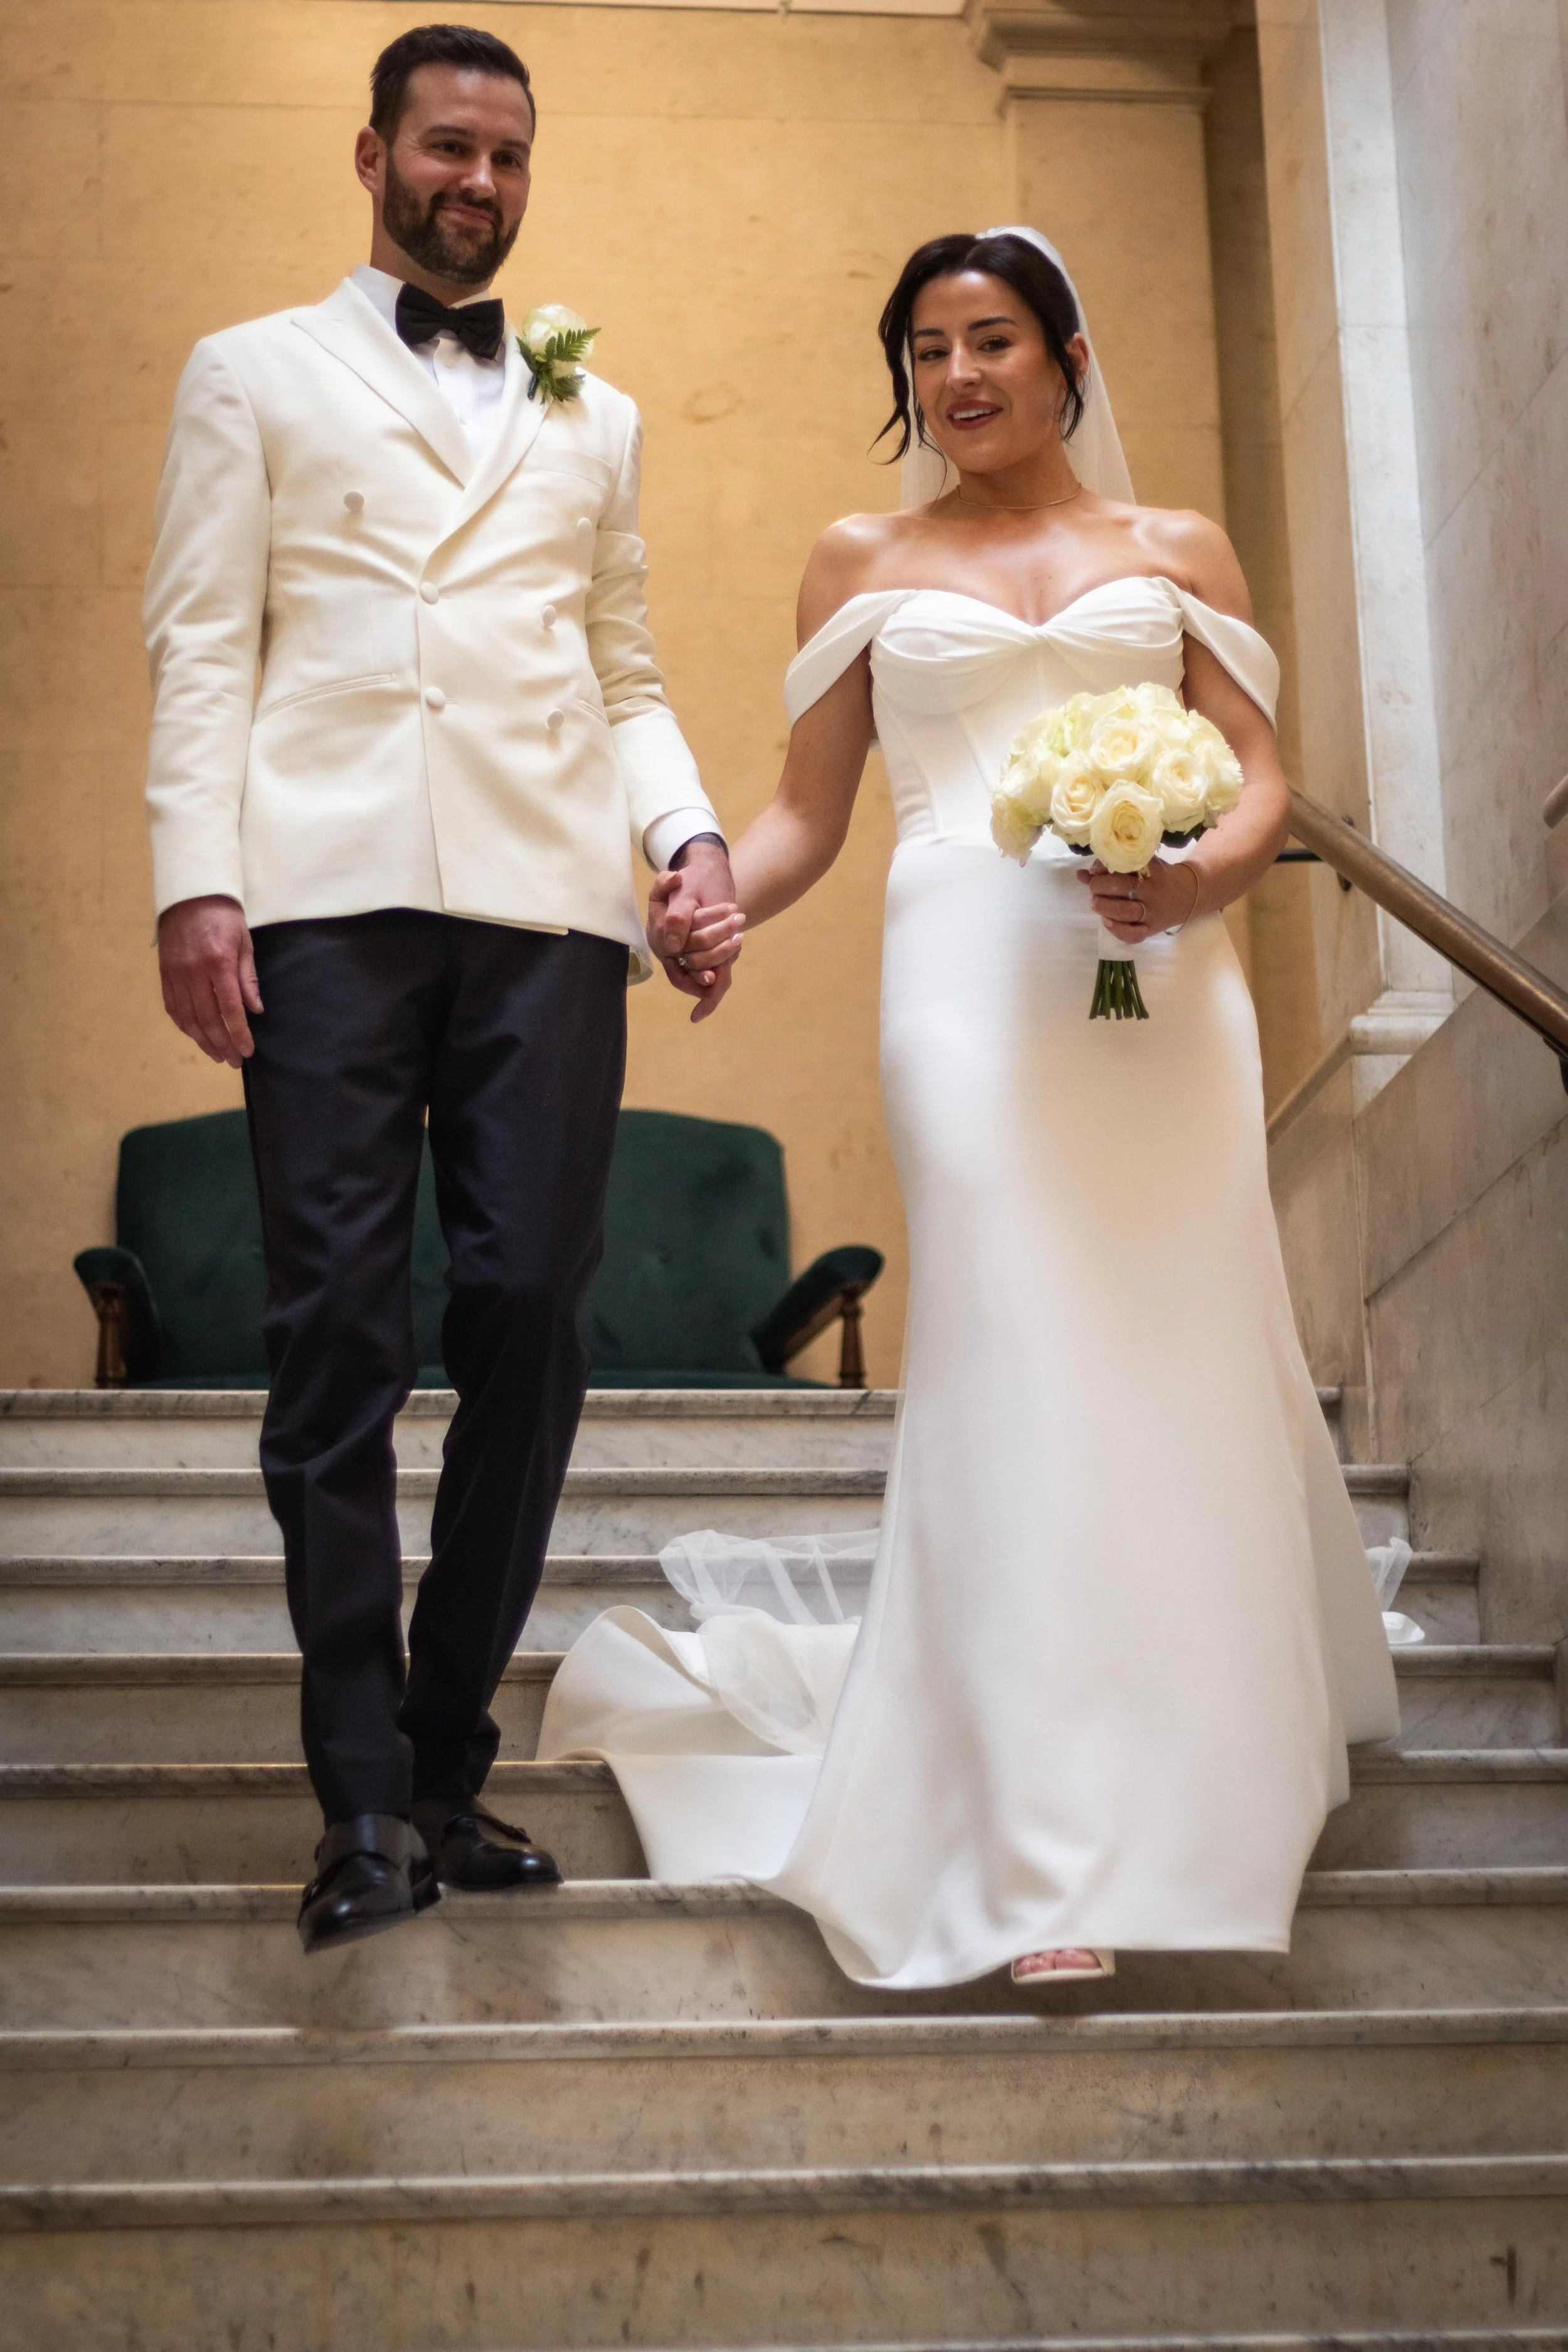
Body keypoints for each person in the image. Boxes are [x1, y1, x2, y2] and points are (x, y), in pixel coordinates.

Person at [553, 228, 1401, 1993]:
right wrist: (709, 898)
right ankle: (1033, 1845)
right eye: (925, 350)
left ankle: (1207, 1755)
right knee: (1010, 1355)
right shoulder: (860, 559)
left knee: (1168, 1349)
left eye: (991, 339)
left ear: (1066, 350)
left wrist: (1192, 883)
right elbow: (805, 815)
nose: (957, 377)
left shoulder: (1171, 551)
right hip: (960, 987)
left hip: (1157, 990)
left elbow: (1260, 782)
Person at [143, 23, 738, 1954]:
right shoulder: (251, 372)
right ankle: (360, 1801)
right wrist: (197, 883)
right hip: (317, 903)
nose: (475, 183)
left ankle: (446, 1751)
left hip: (551, 911)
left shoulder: (599, 411)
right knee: (332, 1338)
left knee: (527, 1314)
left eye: (506, 156)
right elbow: (199, 644)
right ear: (375, 155)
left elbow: (629, 667)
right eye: (445, 148)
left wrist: (689, 840)